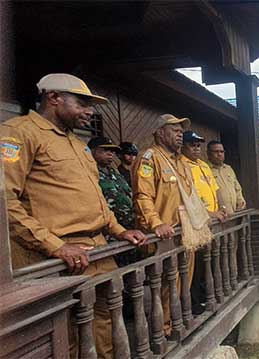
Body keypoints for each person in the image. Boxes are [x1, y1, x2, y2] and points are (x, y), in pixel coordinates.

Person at [1, 73, 147, 357]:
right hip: (57, 257)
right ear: (54, 98)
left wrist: (118, 230)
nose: (89, 111)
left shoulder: (78, 143)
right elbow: (6, 202)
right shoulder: (18, 133)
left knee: (105, 319)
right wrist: (56, 246)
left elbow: (96, 198)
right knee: (66, 332)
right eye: (82, 103)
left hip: (99, 251)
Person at [133, 113, 200, 333]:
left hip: (185, 233)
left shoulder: (181, 162)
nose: (180, 136)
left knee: (183, 282)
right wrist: (156, 223)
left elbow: (190, 198)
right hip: (163, 238)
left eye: (182, 132)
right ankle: (162, 330)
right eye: (175, 131)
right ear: (160, 132)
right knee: (164, 285)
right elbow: (142, 196)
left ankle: (178, 321)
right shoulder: (149, 158)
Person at [182, 131, 226, 311]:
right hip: (196, 223)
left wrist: (221, 208)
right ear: (183, 146)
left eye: (198, 145)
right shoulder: (181, 165)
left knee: (210, 261)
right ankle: (194, 302)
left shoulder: (203, 166)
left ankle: (208, 295)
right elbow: (187, 197)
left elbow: (215, 190)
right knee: (195, 265)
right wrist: (208, 212)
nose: (196, 148)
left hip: (212, 222)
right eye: (192, 145)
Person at [89, 136, 143, 267]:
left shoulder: (115, 172)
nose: (110, 154)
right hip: (109, 234)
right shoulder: (90, 173)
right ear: (92, 151)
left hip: (129, 229)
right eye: (105, 150)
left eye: (113, 151)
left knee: (134, 269)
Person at [207, 140, 246, 216]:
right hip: (219, 217)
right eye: (216, 152)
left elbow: (237, 188)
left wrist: (240, 200)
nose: (219, 154)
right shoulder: (205, 169)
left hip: (235, 214)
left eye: (222, 151)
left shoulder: (228, 169)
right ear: (208, 153)